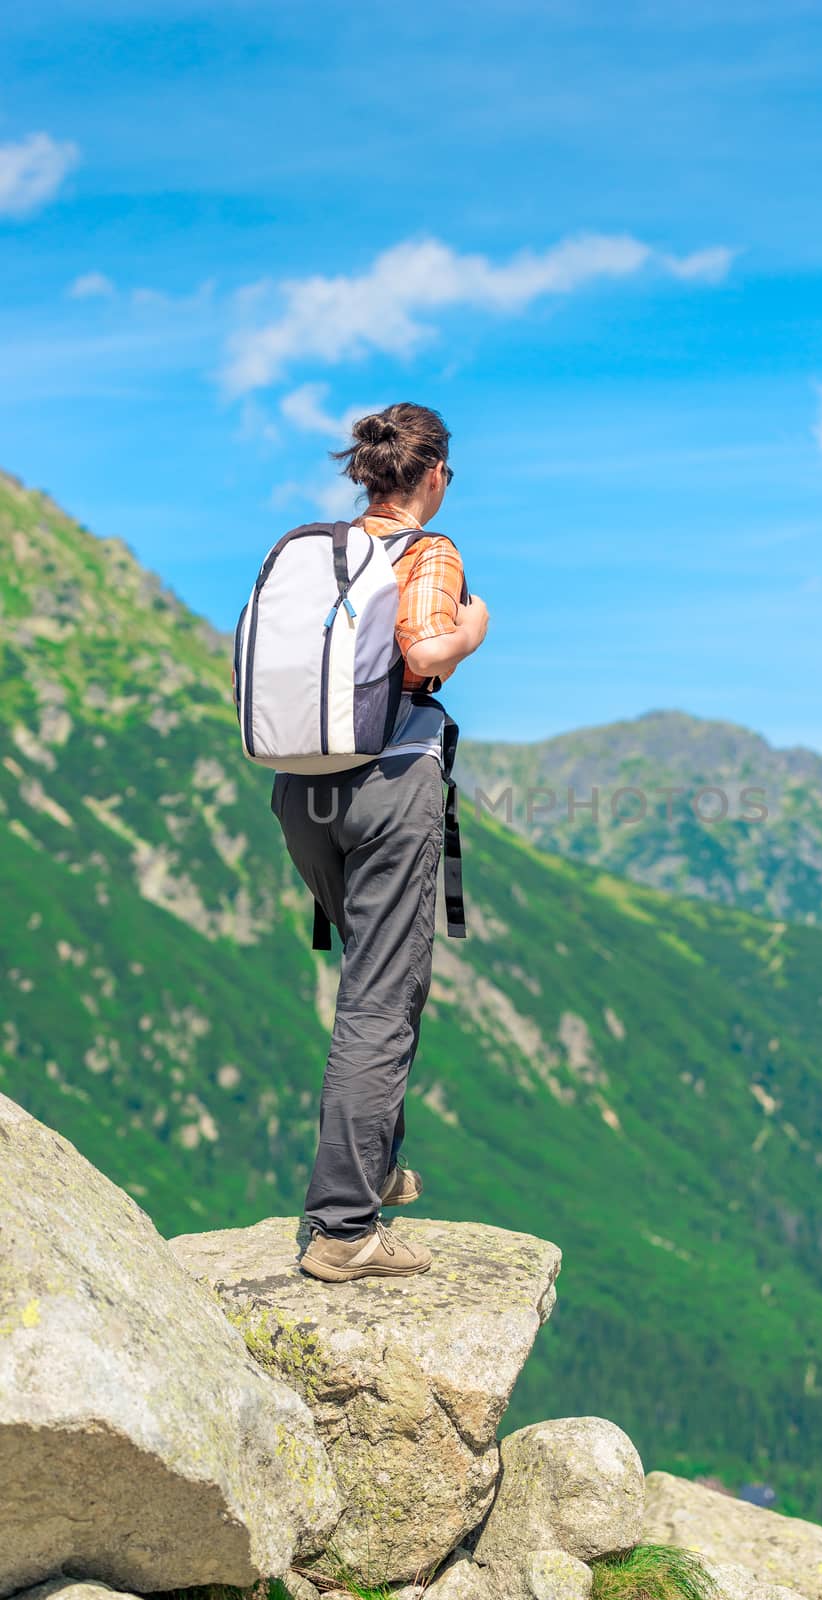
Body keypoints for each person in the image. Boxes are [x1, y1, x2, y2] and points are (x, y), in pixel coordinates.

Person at [270, 402, 489, 1283]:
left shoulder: (312, 553)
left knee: (380, 982)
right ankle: (345, 1229)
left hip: (300, 789)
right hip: (388, 785)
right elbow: (427, 648)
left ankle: (373, 1170)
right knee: (380, 999)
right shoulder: (424, 550)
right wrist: (474, 630)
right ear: (432, 473)